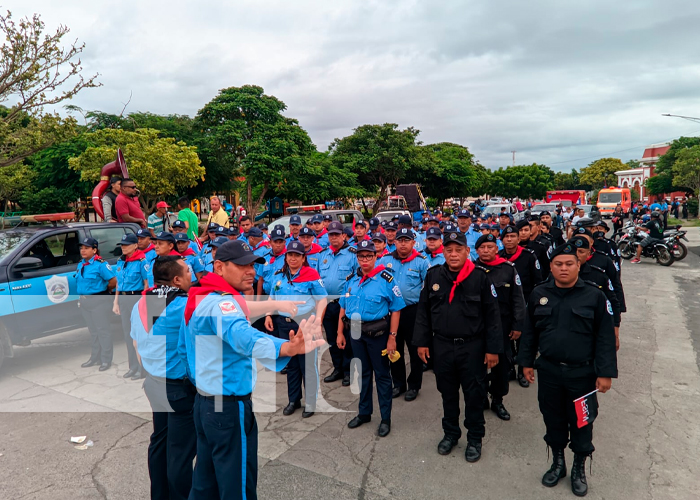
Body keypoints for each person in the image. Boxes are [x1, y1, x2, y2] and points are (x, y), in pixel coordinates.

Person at [179, 240, 325, 499]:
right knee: (238, 487)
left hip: (204, 404)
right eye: (242, 265)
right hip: (228, 408)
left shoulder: (200, 296)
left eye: (253, 266)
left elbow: (183, 349)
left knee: (204, 483)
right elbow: (242, 334)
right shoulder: (223, 304)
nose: (251, 271)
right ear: (219, 267)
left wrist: (274, 306)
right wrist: (287, 349)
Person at [519, 242, 617, 497]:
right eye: (558, 264)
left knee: (582, 422)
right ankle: (558, 462)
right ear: (551, 267)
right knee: (553, 418)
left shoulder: (595, 296)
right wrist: (526, 362)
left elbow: (605, 337)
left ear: (578, 265)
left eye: (569, 264)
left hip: (582, 375)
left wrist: (605, 372)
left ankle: (579, 467)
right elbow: (529, 332)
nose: (563, 268)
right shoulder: (539, 293)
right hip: (549, 372)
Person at [414, 231, 502, 462]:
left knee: (474, 394)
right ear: (443, 252)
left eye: (458, 250)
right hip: (442, 346)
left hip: (472, 347)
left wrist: (493, 349)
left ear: (467, 252)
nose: (453, 255)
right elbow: (423, 312)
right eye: (449, 250)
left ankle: (475, 438)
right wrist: (422, 342)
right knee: (448, 394)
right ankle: (451, 434)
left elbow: (493, 316)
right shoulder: (433, 276)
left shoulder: (480, 278)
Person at [131, 256, 196, 500]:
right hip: (177, 389)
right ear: (177, 279)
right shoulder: (181, 305)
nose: (193, 275)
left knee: (160, 442)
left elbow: (136, 341)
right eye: (188, 272)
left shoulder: (143, 302)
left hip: (153, 383)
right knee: (180, 452)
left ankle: (159, 495)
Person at [337, 240, 405, 437]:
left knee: (382, 376)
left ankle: (385, 418)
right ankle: (364, 412)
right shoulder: (351, 280)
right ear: (357, 258)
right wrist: (340, 332)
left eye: (369, 256)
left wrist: (392, 338)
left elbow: (396, 309)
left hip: (378, 335)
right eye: (361, 256)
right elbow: (343, 306)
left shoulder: (386, 279)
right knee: (362, 374)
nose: (365, 260)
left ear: (376, 257)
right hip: (356, 333)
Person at [264, 241, 328, 418]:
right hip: (284, 325)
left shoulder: (311, 275)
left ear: (303, 257)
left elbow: (322, 300)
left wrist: (318, 322)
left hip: (305, 324)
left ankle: (311, 402)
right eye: (290, 255)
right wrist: (269, 315)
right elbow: (272, 298)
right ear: (286, 256)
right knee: (291, 365)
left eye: (297, 255)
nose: (293, 258)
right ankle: (294, 400)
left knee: (307, 364)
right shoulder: (280, 275)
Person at [474, 234, 526, 421]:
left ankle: (497, 399)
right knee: (477, 367)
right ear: (477, 250)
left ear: (497, 249)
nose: (486, 251)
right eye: (482, 248)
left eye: (490, 247)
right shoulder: (471, 270)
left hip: (503, 327)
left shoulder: (507, 270)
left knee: (501, 367)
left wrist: (518, 324)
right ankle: (480, 399)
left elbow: (518, 299)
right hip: (477, 327)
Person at [379, 228, 429, 401]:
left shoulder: (421, 262)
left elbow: (428, 288)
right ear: (395, 242)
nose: (402, 243)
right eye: (400, 240)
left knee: (415, 350)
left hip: (412, 311)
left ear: (413, 243)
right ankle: (398, 383)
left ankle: (414, 385)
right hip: (391, 312)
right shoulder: (385, 260)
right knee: (394, 348)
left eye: (406, 240)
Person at [317, 221, 358, 386]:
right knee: (332, 338)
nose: (334, 237)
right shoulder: (323, 254)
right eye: (331, 234)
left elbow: (356, 280)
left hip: (345, 304)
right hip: (327, 304)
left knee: (347, 339)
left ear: (343, 235)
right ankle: (338, 368)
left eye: (337, 234)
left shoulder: (353, 254)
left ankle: (349, 370)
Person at [76, 237, 117, 371]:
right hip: (85, 301)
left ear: (94, 250)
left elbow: (113, 280)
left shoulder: (100, 264)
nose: (83, 250)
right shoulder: (81, 264)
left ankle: (106, 359)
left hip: (99, 300)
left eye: (86, 248)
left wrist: (106, 290)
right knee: (93, 332)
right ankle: (95, 357)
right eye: (82, 248)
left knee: (103, 331)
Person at [113, 233, 149, 380]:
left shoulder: (142, 261)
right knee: (128, 334)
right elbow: (118, 284)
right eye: (122, 245)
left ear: (135, 245)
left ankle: (143, 369)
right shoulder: (121, 261)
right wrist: (116, 302)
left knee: (139, 336)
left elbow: (147, 284)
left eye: (127, 245)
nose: (123, 247)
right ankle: (132, 367)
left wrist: (145, 303)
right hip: (124, 299)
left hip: (137, 298)